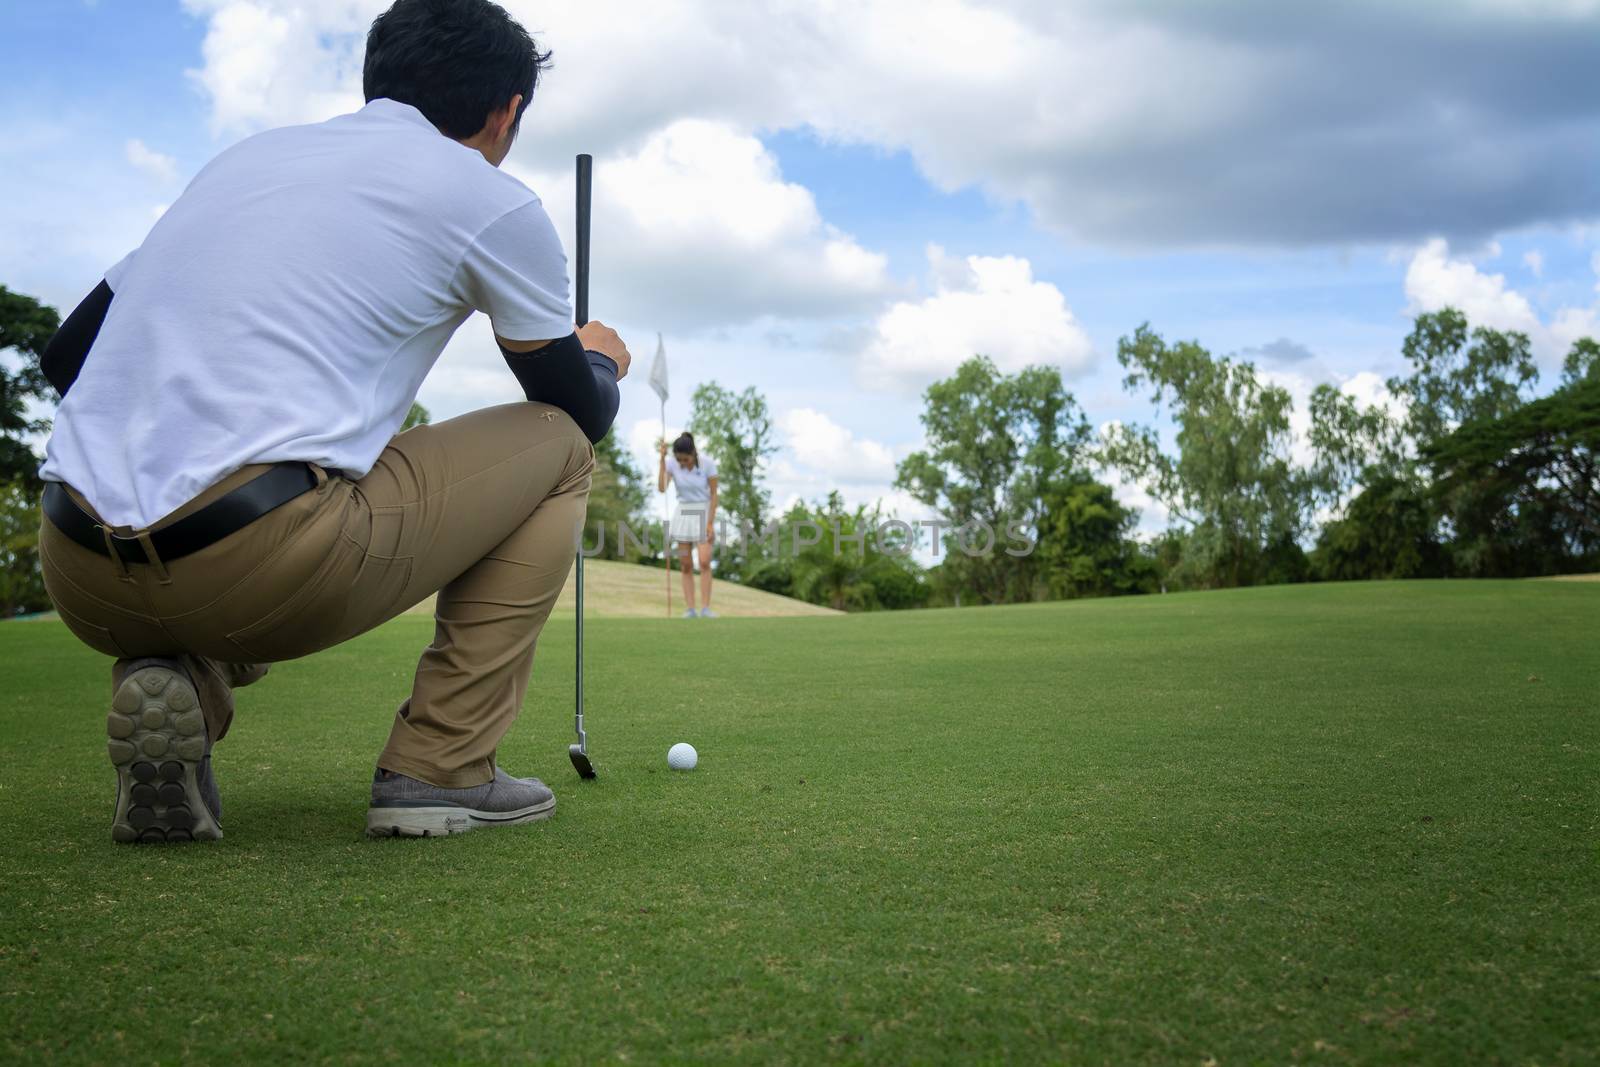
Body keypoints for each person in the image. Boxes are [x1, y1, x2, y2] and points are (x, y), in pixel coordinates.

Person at [33, 0, 632, 843]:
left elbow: (66, 357)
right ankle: (442, 763)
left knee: (295, 488)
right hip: (259, 561)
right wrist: (600, 355)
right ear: (507, 112)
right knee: (560, 452)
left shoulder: (246, 162)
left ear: (376, 80)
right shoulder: (490, 198)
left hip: (77, 567)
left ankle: (185, 691)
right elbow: (576, 410)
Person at [657, 433, 719, 617]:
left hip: (703, 510)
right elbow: (661, 488)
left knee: (704, 560)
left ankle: (706, 608)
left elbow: (715, 494)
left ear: (694, 454)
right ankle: (690, 609)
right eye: (679, 459)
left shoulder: (708, 463)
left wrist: (710, 522)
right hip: (683, 511)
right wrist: (662, 459)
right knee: (685, 564)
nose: (682, 463)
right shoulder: (671, 463)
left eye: (685, 459)